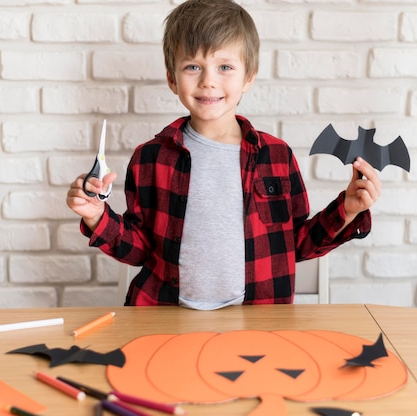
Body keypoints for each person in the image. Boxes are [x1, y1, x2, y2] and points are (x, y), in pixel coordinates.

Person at [66, 0, 381, 309]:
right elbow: (141, 250)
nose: (208, 81)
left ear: (249, 76)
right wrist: (97, 217)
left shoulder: (276, 156)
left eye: (225, 67)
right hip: (166, 317)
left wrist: (348, 209)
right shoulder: (150, 158)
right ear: (172, 79)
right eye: (193, 67)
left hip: (256, 321)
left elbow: (296, 242)